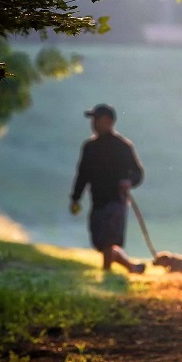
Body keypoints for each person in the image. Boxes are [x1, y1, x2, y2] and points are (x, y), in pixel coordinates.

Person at [70, 103, 147, 273]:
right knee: (100, 241)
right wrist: (75, 198)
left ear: (108, 121)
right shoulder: (89, 147)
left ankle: (107, 272)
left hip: (116, 200)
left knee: (108, 239)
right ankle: (132, 267)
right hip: (97, 200)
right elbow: (82, 175)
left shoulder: (123, 146)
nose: (93, 123)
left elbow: (138, 173)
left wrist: (129, 182)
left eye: (97, 119)